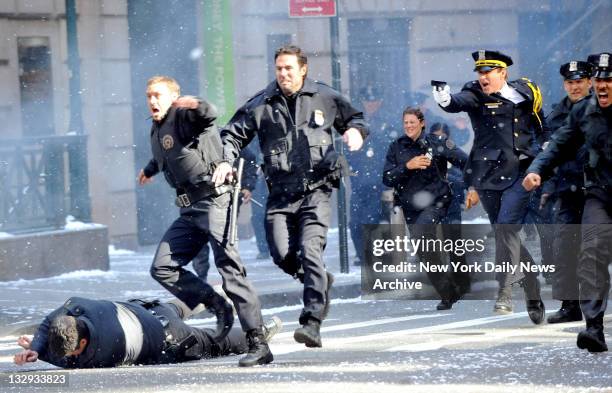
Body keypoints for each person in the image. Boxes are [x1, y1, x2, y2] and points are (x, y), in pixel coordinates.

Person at [212, 45, 368, 348]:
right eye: (279, 69)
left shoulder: (324, 96)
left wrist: (356, 133)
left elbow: (356, 119)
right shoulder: (262, 103)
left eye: (289, 68)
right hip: (281, 194)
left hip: (317, 189)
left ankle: (312, 321)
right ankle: (320, 278)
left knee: (311, 248)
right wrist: (224, 160)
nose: (283, 74)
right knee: (282, 254)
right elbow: (232, 134)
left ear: (303, 69)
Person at [138, 76, 272, 366]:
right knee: (161, 267)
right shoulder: (157, 127)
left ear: (174, 98)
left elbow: (208, 116)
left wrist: (197, 104)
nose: (152, 101)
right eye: (149, 95)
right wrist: (149, 169)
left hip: (214, 203)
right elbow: (167, 156)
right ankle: (217, 304)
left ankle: (258, 342)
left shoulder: (184, 116)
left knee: (230, 269)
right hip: (189, 212)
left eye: (157, 95)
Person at [432, 50, 548, 324]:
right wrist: (443, 97)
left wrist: (545, 151)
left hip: (521, 171)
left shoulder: (526, 91)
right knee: (505, 233)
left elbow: (542, 124)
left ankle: (505, 291)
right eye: (479, 73)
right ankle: (532, 286)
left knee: (506, 227)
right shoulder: (474, 93)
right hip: (487, 175)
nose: (482, 78)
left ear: (502, 73)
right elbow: (455, 103)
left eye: (488, 73)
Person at [523, 52, 612, 352]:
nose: (602, 85)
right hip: (599, 193)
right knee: (590, 253)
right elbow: (559, 144)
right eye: (599, 79)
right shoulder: (583, 112)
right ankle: (594, 329)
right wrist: (537, 170)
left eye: (608, 79)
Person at [13, 297, 282, 368]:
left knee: (215, 341)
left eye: (75, 349)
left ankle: (258, 333)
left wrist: (41, 354)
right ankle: (209, 296)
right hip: (150, 310)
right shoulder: (78, 306)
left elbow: (68, 363)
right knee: (174, 307)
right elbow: (51, 320)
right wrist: (38, 345)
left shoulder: (98, 352)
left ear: (83, 342)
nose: (74, 354)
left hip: (170, 340)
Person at [382, 107, 470, 310]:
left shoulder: (436, 142)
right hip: (410, 205)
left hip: (436, 201)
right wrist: (407, 166)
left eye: (412, 122)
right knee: (423, 250)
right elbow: (387, 178)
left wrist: (471, 186)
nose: (409, 126)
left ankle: (457, 282)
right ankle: (448, 292)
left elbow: (465, 161)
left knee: (423, 234)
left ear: (422, 123)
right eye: (406, 123)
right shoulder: (396, 147)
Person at [544, 60, 593, 324]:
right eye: (570, 82)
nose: (575, 87)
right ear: (565, 85)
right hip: (568, 189)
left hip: (600, 188)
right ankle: (569, 304)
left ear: (589, 82)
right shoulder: (556, 115)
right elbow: (550, 154)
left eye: (579, 82)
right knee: (564, 245)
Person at [191, 146, 259, 282]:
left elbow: (249, 161)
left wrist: (247, 186)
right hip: (203, 197)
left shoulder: (229, 140)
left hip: (228, 198)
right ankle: (202, 276)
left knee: (225, 241)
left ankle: (234, 279)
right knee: (199, 235)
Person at [347, 85, 395, 266]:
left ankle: (376, 255)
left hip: (380, 179)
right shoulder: (355, 121)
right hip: (360, 179)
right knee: (356, 222)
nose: (371, 104)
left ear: (380, 101)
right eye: (368, 101)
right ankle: (363, 255)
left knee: (375, 220)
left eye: (374, 101)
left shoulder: (388, 121)